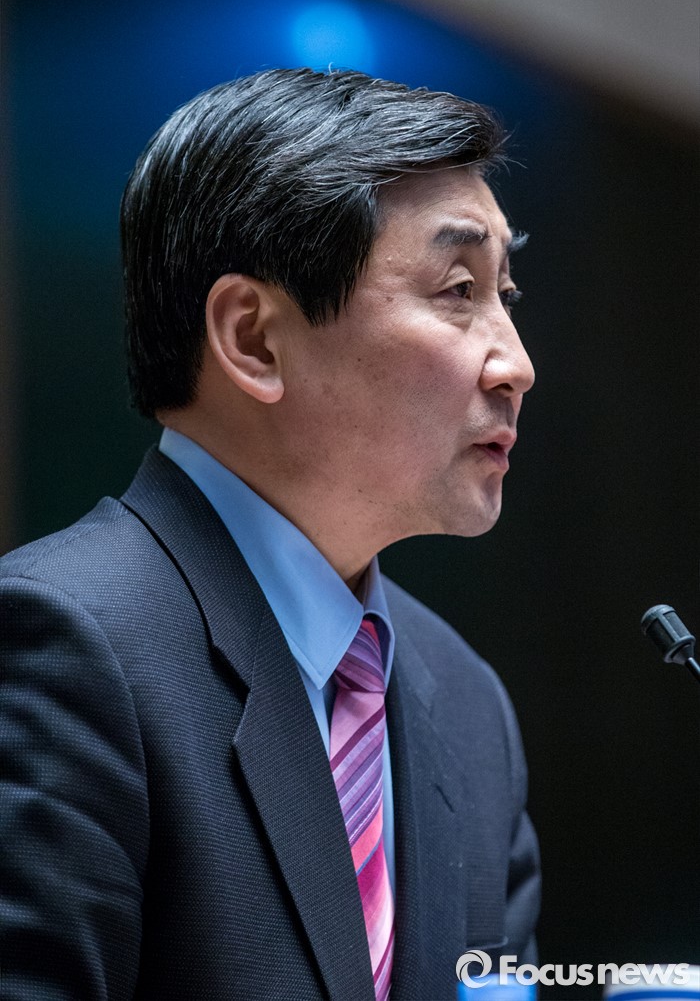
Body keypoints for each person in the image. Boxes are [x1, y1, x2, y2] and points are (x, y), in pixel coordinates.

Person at [0, 68, 540, 1000]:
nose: (516, 365)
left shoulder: (467, 706)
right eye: (458, 289)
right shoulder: (61, 647)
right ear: (253, 338)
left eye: (506, 294)